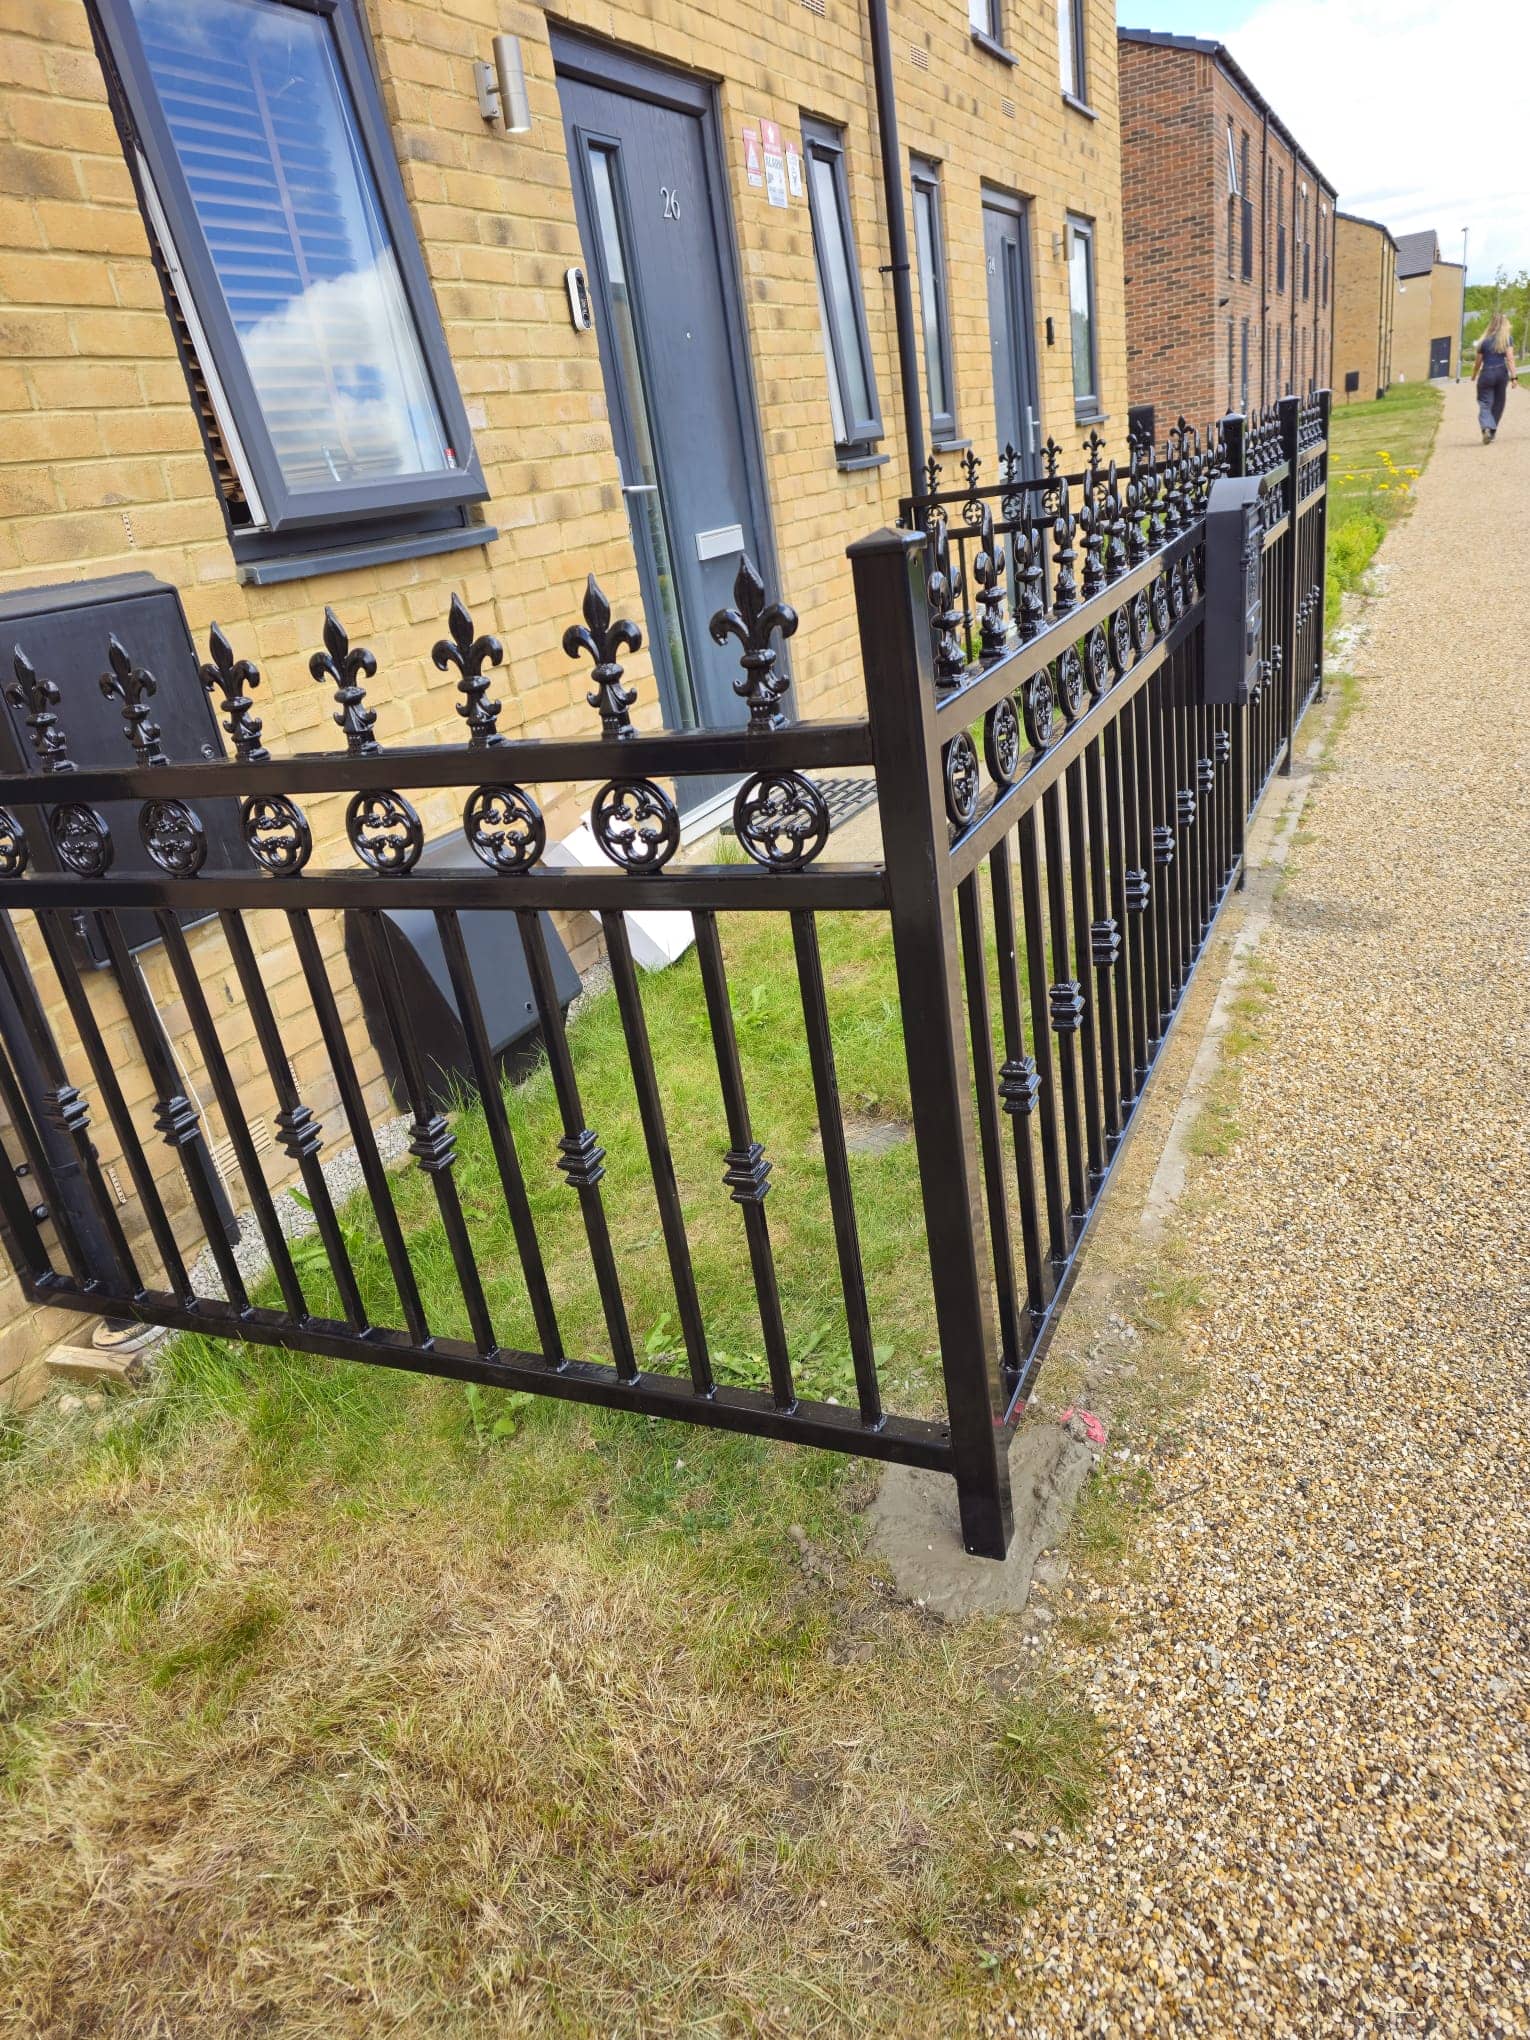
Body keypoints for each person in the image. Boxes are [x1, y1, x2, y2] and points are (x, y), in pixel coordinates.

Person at [1473, 313, 1518, 443]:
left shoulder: (1483, 341)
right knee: (1499, 403)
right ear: (1504, 325)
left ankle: (1486, 428)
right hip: (1501, 373)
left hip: (1486, 373)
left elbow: (1478, 362)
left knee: (1485, 403)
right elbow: (1510, 359)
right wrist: (1514, 378)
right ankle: (1491, 432)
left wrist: (1474, 375)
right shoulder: (1507, 339)